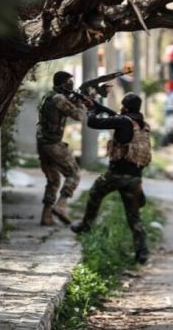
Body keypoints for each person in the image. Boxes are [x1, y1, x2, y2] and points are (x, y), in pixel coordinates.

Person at [71, 93, 152, 265]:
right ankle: (142, 252)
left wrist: (91, 109)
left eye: (123, 105)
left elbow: (93, 122)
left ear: (126, 107)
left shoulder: (123, 121)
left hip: (116, 174)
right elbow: (115, 116)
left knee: (95, 192)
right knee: (134, 217)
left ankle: (86, 225)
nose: (121, 108)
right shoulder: (142, 124)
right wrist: (98, 106)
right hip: (134, 178)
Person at [36, 71, 86, 226]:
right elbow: (79, 116)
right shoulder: (59, 99)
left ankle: (46, 216)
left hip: (43, 142)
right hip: (53, 144)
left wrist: (76, 99)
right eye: (69, 82)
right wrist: (82, 102)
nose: (71, 84)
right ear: (62, 84)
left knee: (53, 180)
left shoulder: (49, 96)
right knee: (74, 174)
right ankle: (61, 205)